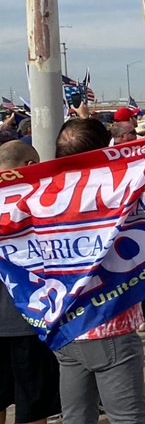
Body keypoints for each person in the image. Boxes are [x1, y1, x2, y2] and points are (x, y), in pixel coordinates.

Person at [52, 119, 145, 424]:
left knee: (75, 417)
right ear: (103, 151)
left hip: (63, 324)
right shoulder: (109, 194)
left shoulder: (45, 197)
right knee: (127, 417)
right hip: (109, 323)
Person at [0, 141, 60, 424]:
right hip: (29, 318)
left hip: (19, 318)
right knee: (34, 406)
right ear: (28, 167)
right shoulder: (42, 200)